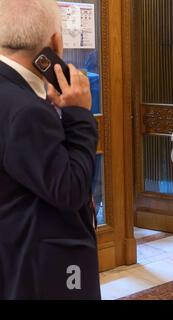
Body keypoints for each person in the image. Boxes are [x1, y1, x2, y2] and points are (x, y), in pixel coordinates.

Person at [0, 0, 100, 299]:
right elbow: (69, 190)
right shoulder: (25, 109)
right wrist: (79, 115)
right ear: (56, 41)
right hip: (41, 261)